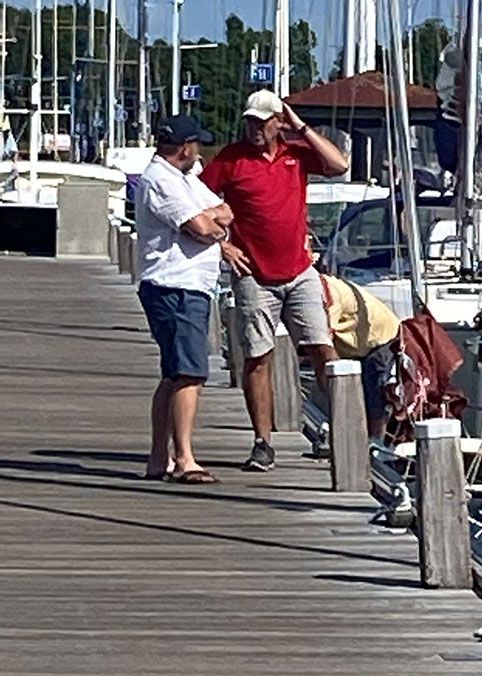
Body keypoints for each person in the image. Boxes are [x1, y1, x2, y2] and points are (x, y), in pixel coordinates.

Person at [201, 89, 349, 471]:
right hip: (254, 274)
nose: (254, 128)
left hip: (299, 271)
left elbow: (339, 165)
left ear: (277, 122)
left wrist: (300, 126)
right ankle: (262, 442)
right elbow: (195, 202)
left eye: (262, 121)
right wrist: (222, 245)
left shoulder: (296, 154)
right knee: (257, 357)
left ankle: (339, 428)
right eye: (249, 120)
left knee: (322, 349)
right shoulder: (231, 159)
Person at [135, 115, 233, 484]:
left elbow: (225, 211)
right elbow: (205, 227)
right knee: (189, 373)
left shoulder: (186, 179)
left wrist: (213, 220)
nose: (199, 151)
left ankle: (159, 457)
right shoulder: (160, 180)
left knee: (173, 374)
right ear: (185, 146)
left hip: (188, 285)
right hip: (175, 285)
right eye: (196, 145)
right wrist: (212, 223)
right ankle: (184, 458)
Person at [320, 274, 401, 440]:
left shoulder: (328, 292)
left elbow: (324, 333)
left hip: (379, 337)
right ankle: (355, 437)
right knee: (361, 394)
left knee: (375, 394)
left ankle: (375, 441)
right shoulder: (321, 288)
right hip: (354, 345)